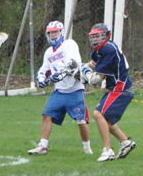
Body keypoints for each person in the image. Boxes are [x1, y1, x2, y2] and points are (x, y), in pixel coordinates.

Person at [28, 21, 92, 155]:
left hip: (74, 89)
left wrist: (59, 75)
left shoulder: (69, 44)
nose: (52, 35)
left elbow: (72, 65)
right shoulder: (48, 52)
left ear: (61, 32)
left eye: (55, 32)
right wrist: (40, 79)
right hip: (59, 91)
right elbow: (43, 70)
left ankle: (87, 147)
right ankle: (43, 146)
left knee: (80, 120)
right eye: (50, 33)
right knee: (47, 115)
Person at [80, 23, 136, 162]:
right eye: (94, 37)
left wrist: (84, 73)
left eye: (99, 36)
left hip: (120, 89)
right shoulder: (102, 49)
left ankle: (108, 150)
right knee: (105, 119)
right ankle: (125, 142)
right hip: (117, 88)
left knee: (98, 114)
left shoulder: (109, 50)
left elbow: (96, 80)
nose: (96, 40)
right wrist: (79, 67)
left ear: (106, 36)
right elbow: (93, 63)